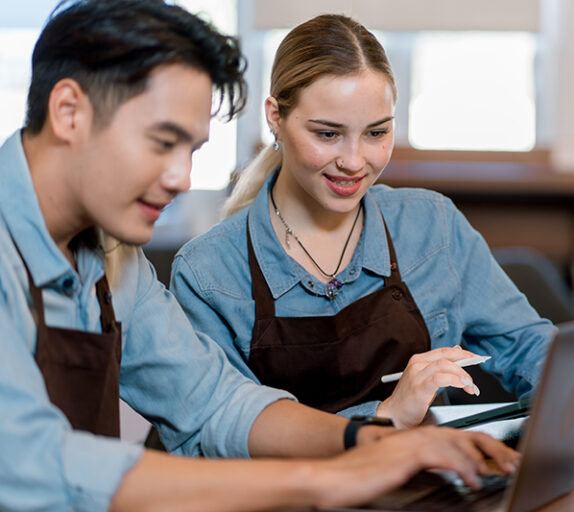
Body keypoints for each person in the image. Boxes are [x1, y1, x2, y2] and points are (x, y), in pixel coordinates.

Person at [0, 2, 521, 511]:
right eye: (162, 142)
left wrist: (372, 442)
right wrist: (327, 479)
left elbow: (215, 402)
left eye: (193, 151)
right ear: (68, 112)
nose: (182, 178)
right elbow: (34, 461)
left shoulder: (113, 260)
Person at [170, 13, 574, 430]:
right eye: (327, 134)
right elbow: (218, 430)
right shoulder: (208, 272)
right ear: (275, 117)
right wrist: (384, 415)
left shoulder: (431, 225)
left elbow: (522, 343)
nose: (354, 162)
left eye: (377, 132)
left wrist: (571, 387)